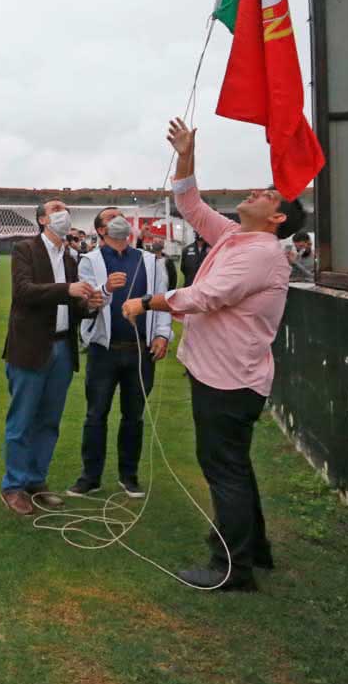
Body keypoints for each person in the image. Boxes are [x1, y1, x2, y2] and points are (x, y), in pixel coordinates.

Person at [122, 117, 305, 592]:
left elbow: (206, 296)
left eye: (266, 194)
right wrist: (186, 153)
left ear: (277, 218)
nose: (254, 192)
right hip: (223, 376)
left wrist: (146, 302)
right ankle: (254, 550)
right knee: (234, 467)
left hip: (229, 381)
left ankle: (232, 566)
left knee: (223, 470)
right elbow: (189, 202)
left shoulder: (260, 253)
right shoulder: (233, 237)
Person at [0, 200, 101, 516]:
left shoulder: (71, 258)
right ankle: (13, 486)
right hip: (30, 347)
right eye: (56, 208)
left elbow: (72, 304)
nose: (64, 212)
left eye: (65, 207)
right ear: (43, 219)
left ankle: (35, 480)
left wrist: (90, 304)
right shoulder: (24, 249)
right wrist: (67, 290)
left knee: (49, 421)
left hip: (61, 348)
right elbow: (25, 292)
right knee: (22, 421)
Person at [69, 207, 173, 498]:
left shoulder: (151, 261)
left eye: (121, 215)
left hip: (140, 350)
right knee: (95, 415)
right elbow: (87, 303)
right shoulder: (89, 260)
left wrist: (163, 335)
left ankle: (129, 476)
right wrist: (105, 288)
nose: (119, 220)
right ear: (101, 230)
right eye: (110, 217)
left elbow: (162, 301)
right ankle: (91, 477)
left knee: (134, 416)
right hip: (104, 351)